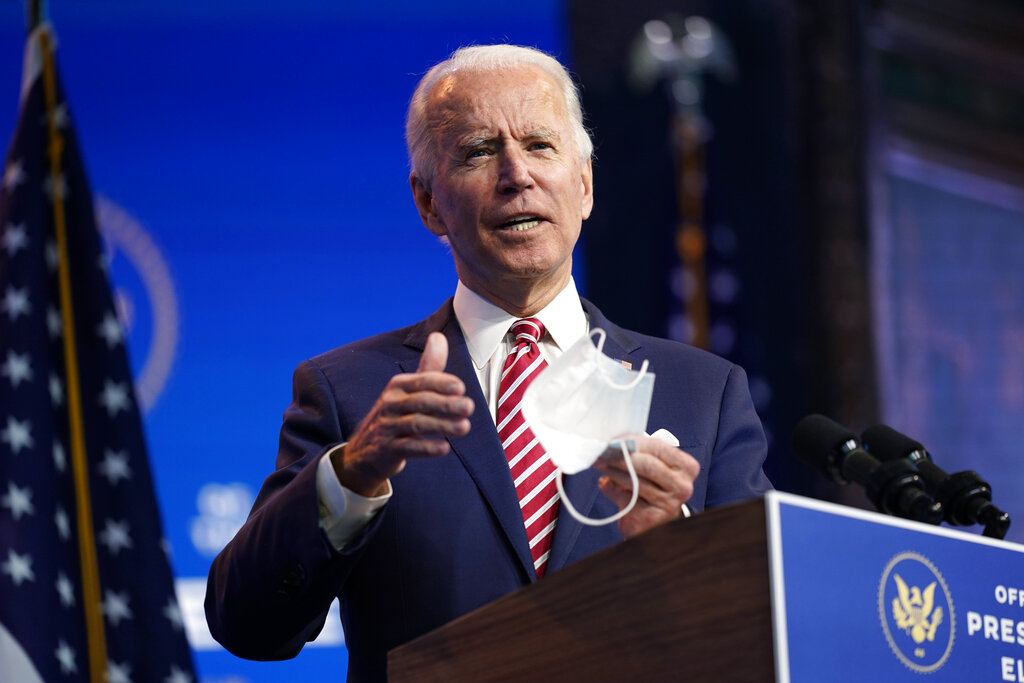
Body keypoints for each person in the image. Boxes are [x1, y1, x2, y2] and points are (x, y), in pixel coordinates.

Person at [205, 44, 771, 682]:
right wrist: (354, 474)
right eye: (478, 151)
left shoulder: (705, 392)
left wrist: (682, 541)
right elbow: (247, 624)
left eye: (540, 146)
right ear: (427, 204)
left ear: (584, 184)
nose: (516, 175)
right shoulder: (350, 393)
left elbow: (772, 631)